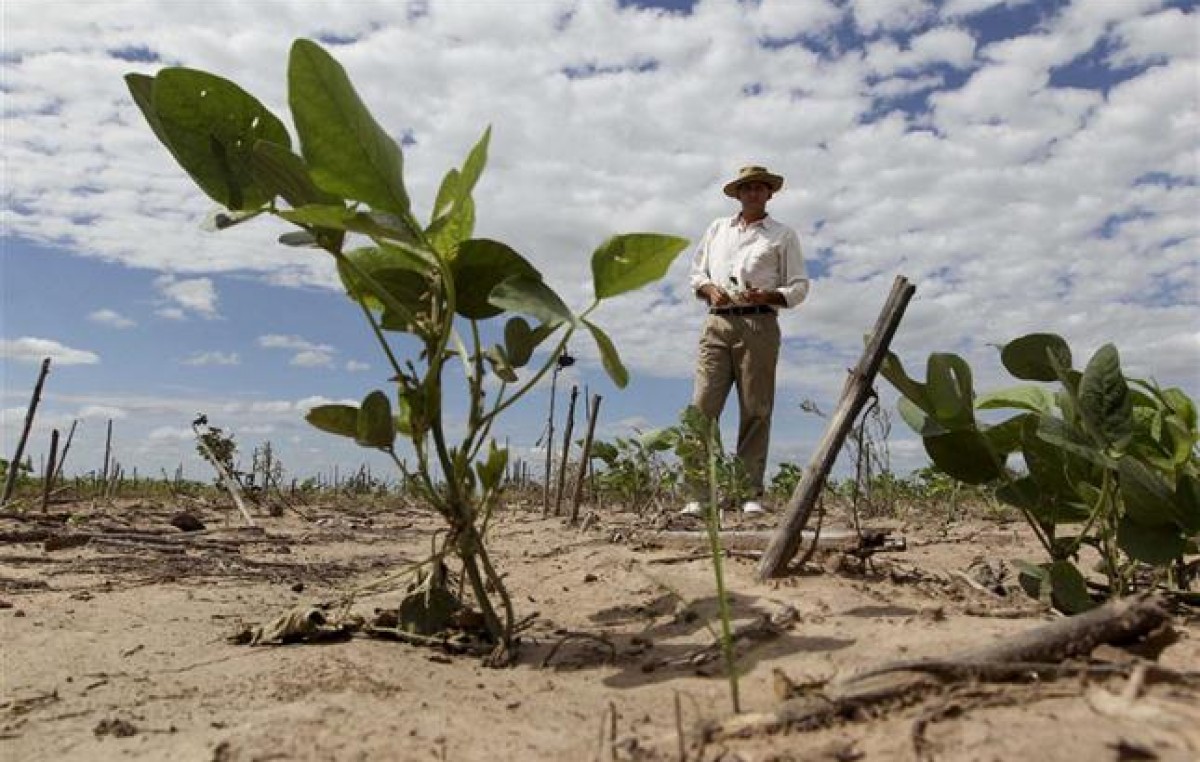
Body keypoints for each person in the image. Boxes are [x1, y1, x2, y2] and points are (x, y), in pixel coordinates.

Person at [681, 165, 809, 516]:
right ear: (737, 194)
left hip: (760, 325)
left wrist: (768, 295)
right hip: (717, 324)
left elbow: (799, 287)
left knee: (756, 409)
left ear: (770, 194)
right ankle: (697, 494)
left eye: (760, 187)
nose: (753, 192)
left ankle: (747, 493)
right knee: (702, 408)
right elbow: (696, 274)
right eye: (747, 187)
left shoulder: (783, 235)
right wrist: (709, 289)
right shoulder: (717, 229)